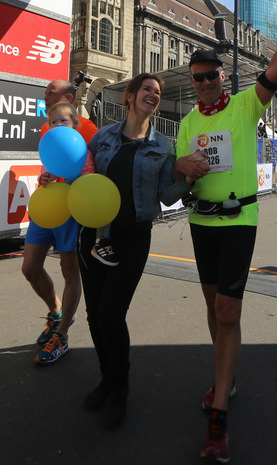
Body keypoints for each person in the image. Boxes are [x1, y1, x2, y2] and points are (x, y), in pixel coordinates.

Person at [177, 0, 277, 463]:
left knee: (227, 312)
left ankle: (219, 417)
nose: (204, 83)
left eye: (210, 76)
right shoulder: (187, 123)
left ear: (222, 77)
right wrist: (182, 168)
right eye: (197, 78)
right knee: (212, 307)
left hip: (239, 220)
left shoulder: (244, 104)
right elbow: (178, 177)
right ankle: (226, 376)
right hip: (201, 222)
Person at [78, 72, 194, 430]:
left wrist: (189, 179)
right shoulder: (102, 137)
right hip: (94, 234)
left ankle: (120, 388)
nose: (153, 94)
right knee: (94, 315)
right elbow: (81, 175)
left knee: (111, 315)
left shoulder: (162, 146)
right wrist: (53, 176)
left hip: (132, 237)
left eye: (157, 92)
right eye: (147, 89)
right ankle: (106, 378)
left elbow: (166, 197)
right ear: (129, 96)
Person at [25, 80, 100, 362]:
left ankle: (62, 334)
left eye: (50, 93)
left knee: (70, 271)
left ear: (68, 98)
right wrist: (44, 177)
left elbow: (94, 170)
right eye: (46, 93)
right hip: (46, 204)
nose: (45, 96)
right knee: (30, 268)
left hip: (70, 209)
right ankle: (56, 312)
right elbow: (50, 162)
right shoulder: (47, 128)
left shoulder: (88, 129)